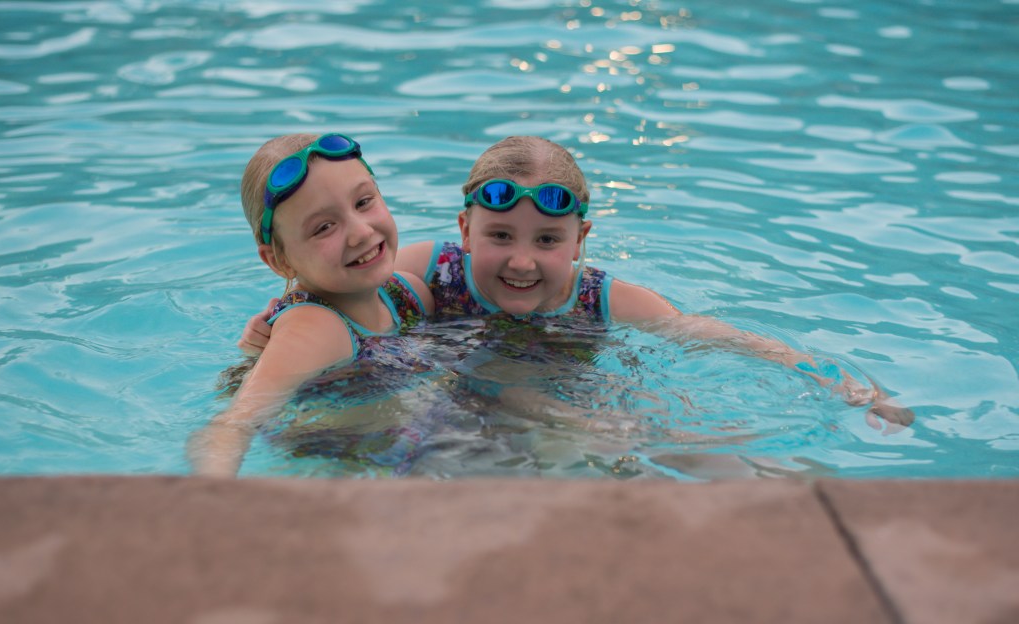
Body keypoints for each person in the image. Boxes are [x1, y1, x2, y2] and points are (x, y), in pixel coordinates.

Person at [239, 135, 914, 431]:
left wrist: (853, 387)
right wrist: (285, 315)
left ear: (580, 241)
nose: (522, 262)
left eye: (548, 241)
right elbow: (348, 289)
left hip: (566, 399)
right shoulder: (432, 271)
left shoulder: (599, 297)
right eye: (500, 237)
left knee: (642, 428)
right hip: (472, 406)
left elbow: (717, 336)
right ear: (465, 231)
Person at [187, 132, 433, 477]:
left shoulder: (407, 294)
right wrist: (212, 492)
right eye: (324, 227)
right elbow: (232, 426)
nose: (361, 232)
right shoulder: (317, 327)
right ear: (279, 261)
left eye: (363, 202)